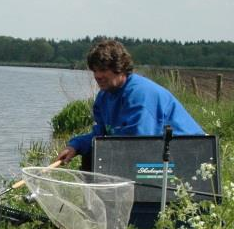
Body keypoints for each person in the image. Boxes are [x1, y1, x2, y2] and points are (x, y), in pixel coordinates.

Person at [57, 39, 204, 168]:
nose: (97, 76)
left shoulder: (140, 95)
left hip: (189, 155)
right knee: (91, 158)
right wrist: (75, 146)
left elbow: (138, 144)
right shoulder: (103, 97)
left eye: (103, 70)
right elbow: (101, 137)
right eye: (94, 71)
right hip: (153, 153)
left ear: (120, 68)